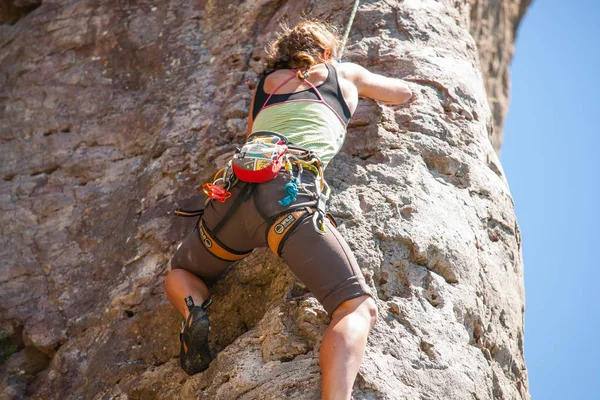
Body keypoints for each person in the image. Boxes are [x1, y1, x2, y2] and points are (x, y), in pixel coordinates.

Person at [165, 20, 412, 400]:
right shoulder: (344, 72)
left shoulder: (265, 85)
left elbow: (252, 135)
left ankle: (193, 310)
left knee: (182, 269)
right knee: (355, 308)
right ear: (326, 53)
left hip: (231, 199)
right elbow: (401, 93)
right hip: (286, 202)